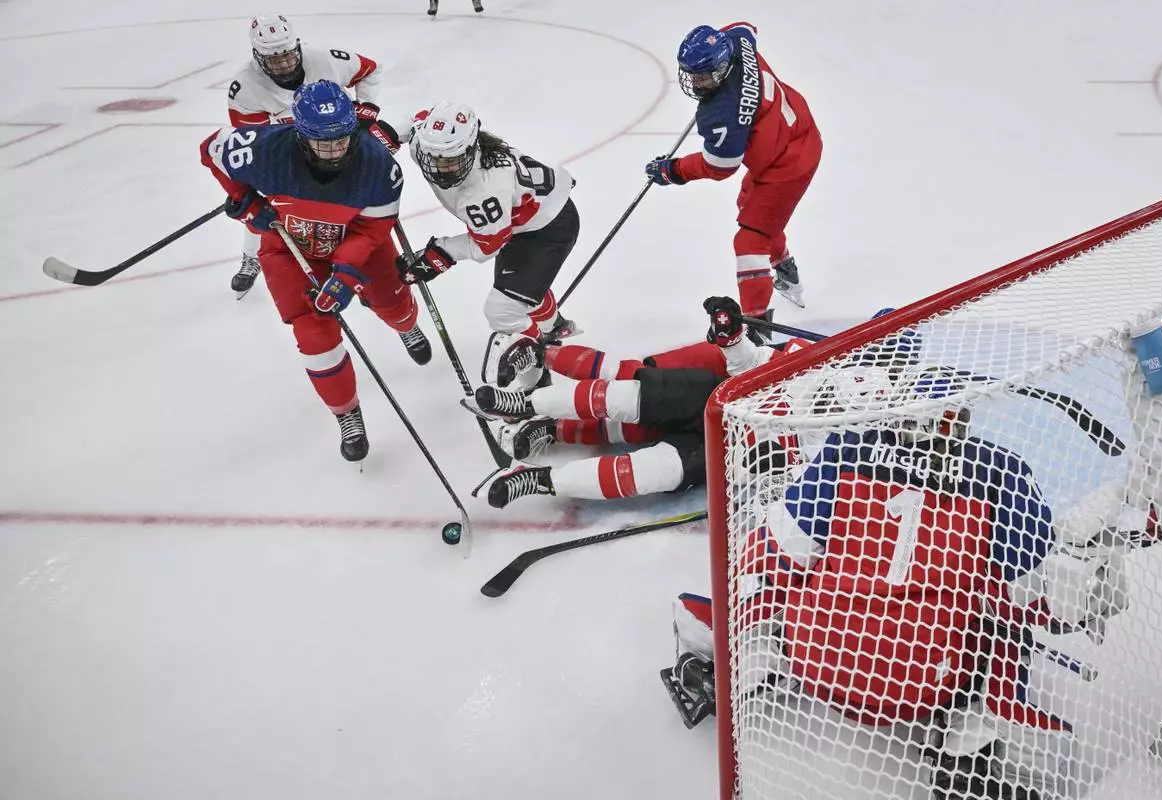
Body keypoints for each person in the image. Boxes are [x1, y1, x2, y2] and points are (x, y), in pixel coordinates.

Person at [658, 368, 1128, 799]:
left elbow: (778, 553)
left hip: (819, 659)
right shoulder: (1002, 471)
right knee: (1004, 627)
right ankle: (969, 752)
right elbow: (1028, 595)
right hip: (926, 684)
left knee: (779, 578)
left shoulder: (844, 450)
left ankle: (740, 667)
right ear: (960, 420)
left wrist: (742, 606)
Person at [465, 297, 888, 509]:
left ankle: (540, 474)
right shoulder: (813, 361)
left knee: (648, 471)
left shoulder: (855, 446)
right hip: (712, 395)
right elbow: (754, 363)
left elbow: (795, 490)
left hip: (727, 450)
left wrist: (767, 476)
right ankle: (526, 396)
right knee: (630, 382)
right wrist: (732, 336)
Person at [200, 80, 430, 462]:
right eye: (323, 142)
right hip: (289, 246)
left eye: (342, 139)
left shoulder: (379, 168)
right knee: (313, 333)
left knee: (391, 298)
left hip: (355, 242)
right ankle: (347, 414)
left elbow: (373, 230)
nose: (335, 150)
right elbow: (210, 149)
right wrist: (244, 199)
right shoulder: (265, 149)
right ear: (301, 135)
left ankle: (405, 325)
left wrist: (345, 272)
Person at [645, 22, 822, 321]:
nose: (695, 82)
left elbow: (720, 166)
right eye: (691, 74)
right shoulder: (737, 42)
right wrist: (717, 41)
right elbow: (746, 27)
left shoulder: (722, 114)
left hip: (788, 164)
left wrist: (672, 170)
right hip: (791, 135)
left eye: (703, 76)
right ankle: (785, 269)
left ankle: (757, 325)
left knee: (750, 239)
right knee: (751, 209)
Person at [225, 15, 400, 295]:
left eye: (287, 55)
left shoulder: (325, 59)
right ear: (257, 56)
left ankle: (368, 271)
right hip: (291, 158)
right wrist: (247, 192)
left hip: (342, 144)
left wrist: (366, 110)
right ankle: (251, 256)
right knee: (265, 204)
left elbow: (371, 70)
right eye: (273, 59)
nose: (284, 64)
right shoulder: (245, 89)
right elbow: (253, 145)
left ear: (297, 46)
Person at [399, 101, 580, 345]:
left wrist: (442, 252)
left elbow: (487, 245)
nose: (440, 168)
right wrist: (382, 138)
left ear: (471, 148)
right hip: (519, 218)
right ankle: (552, 326)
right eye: (434, 157)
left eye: (451, 160)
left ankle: (543, 356)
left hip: (548, 227)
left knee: (503, 310)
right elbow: (414, 119)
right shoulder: (427, 143)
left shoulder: (484, 188)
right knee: (517, 288)